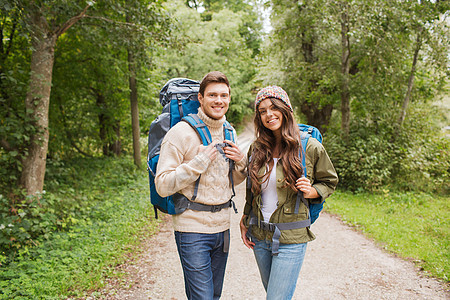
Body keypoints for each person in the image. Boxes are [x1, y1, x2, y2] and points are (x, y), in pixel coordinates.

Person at [239, 86, 338, 300]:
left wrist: (312, 191)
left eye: (274, 107)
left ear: (286, 110)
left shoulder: (309, 147)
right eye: (262, 110)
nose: (269, 114)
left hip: (291, 238)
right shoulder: (257, 148)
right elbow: (251, 189)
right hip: (259, 236)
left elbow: (329, 181)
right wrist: (246, 218)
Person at [155, 71, 247, 300]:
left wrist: (241, 164)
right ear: (201, 98)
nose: (219, 100)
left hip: (222, 227)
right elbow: (162, 185)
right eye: (213, 95)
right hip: (192, 229)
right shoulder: (180, 133)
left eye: (224, 95)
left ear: (229, 98)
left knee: (214, 295)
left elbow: (231, 181)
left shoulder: (230, 132)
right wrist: (199, 162)